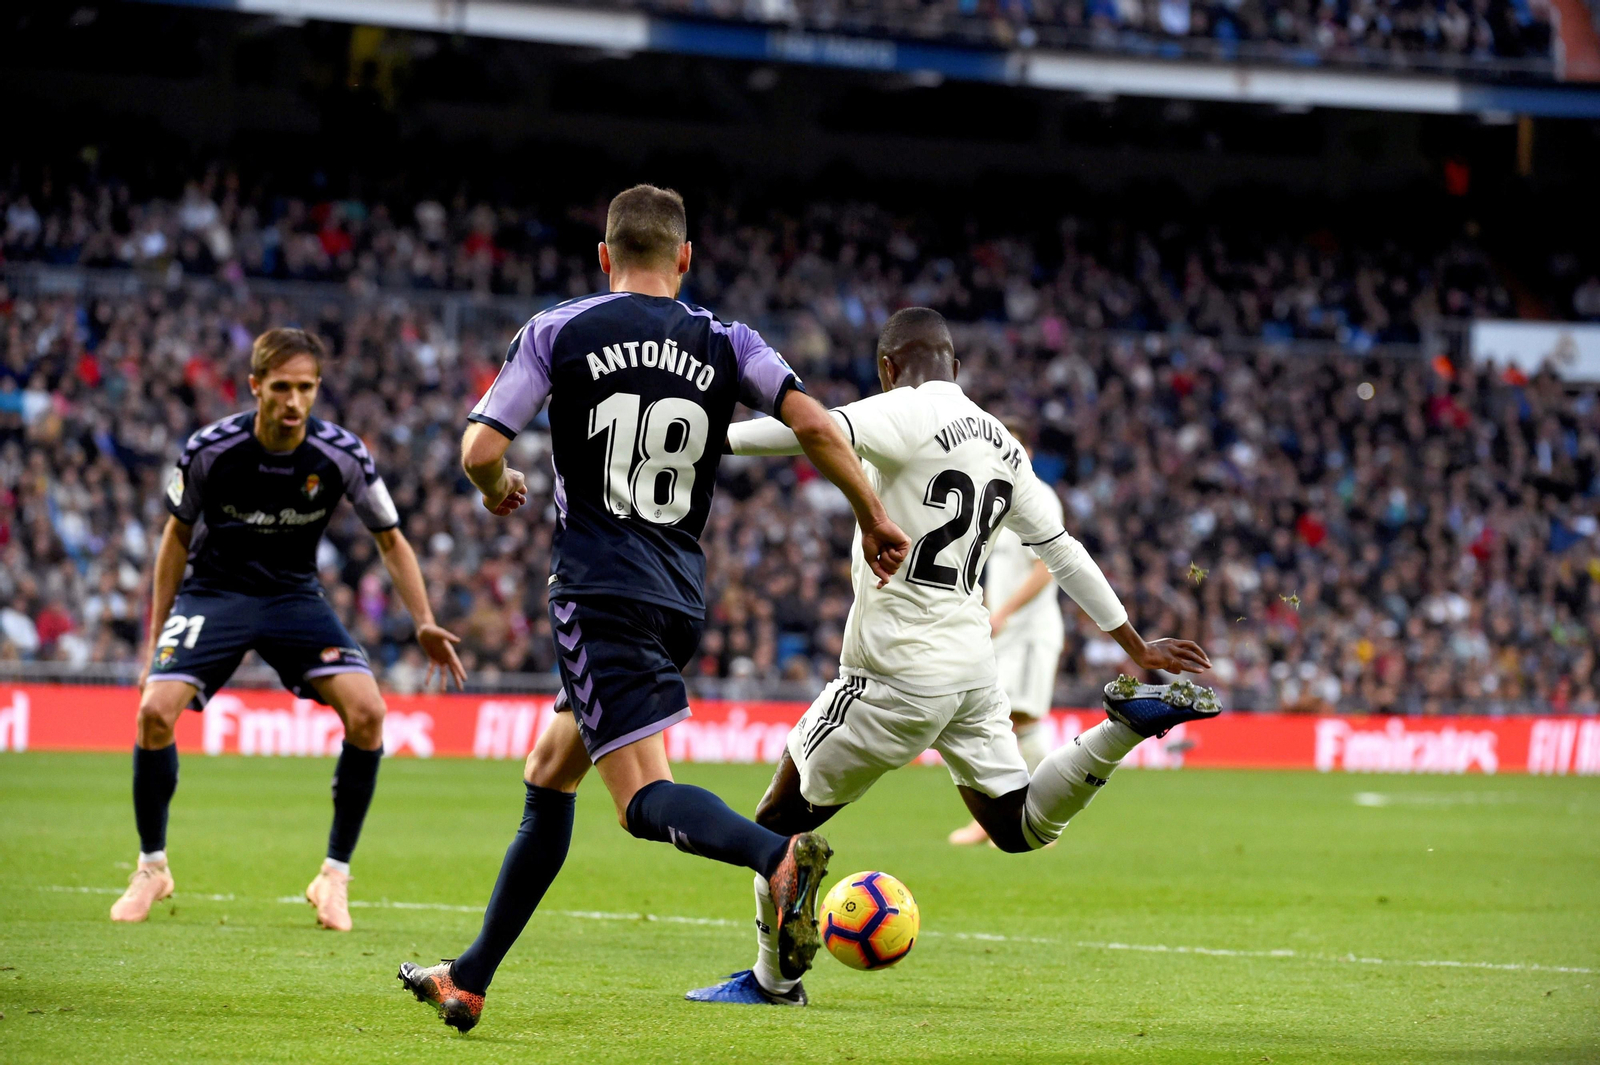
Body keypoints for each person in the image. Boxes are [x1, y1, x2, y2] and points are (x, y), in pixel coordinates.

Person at [397, 185, 910, 1032]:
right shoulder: (725, 340)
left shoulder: (559, 329)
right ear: (685, 256)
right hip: (676, 592)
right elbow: (817, 424)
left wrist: (500, 485)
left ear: (604, 256)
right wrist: (872, 513)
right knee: (549, 773)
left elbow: (480, 447)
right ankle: (470, 975)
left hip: (599, 588)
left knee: (641, 800)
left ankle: (775, 857)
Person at [688, 307, 1216, 1006]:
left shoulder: (902, 411)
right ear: (957, 366)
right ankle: (1121, 727)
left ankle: (773, 981)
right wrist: (1136, 644)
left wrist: (709, 437)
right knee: (1018, 823)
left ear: (887, 366)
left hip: (893, 671)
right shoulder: (1002, 441)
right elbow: (1061, 549)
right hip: (971, 668)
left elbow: (805, 429)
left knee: (775, 823)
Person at [109, 328, 467, 931]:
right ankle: (151, 866)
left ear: (318, 389)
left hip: (293, 597)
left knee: (369, 712)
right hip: (215, 594)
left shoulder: (341, 454)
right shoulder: (209, 450)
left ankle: (333, 878)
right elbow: (173, 539)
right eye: (280, 388)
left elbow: (391, 539)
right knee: (153, 713)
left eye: (305, 388)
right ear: (255, 387)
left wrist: (424, 620)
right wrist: (154, 643)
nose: (293, 401)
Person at [948, 423, 1065, 846]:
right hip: (1004, 630)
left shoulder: (1041, 498)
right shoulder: (996, 498)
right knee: (1002, 720)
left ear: (1026, 450)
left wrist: (1005, 613)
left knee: (1023, 718)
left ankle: (1041, 818)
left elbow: (1047, 567)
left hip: (1030, 631)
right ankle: (1016, 818)